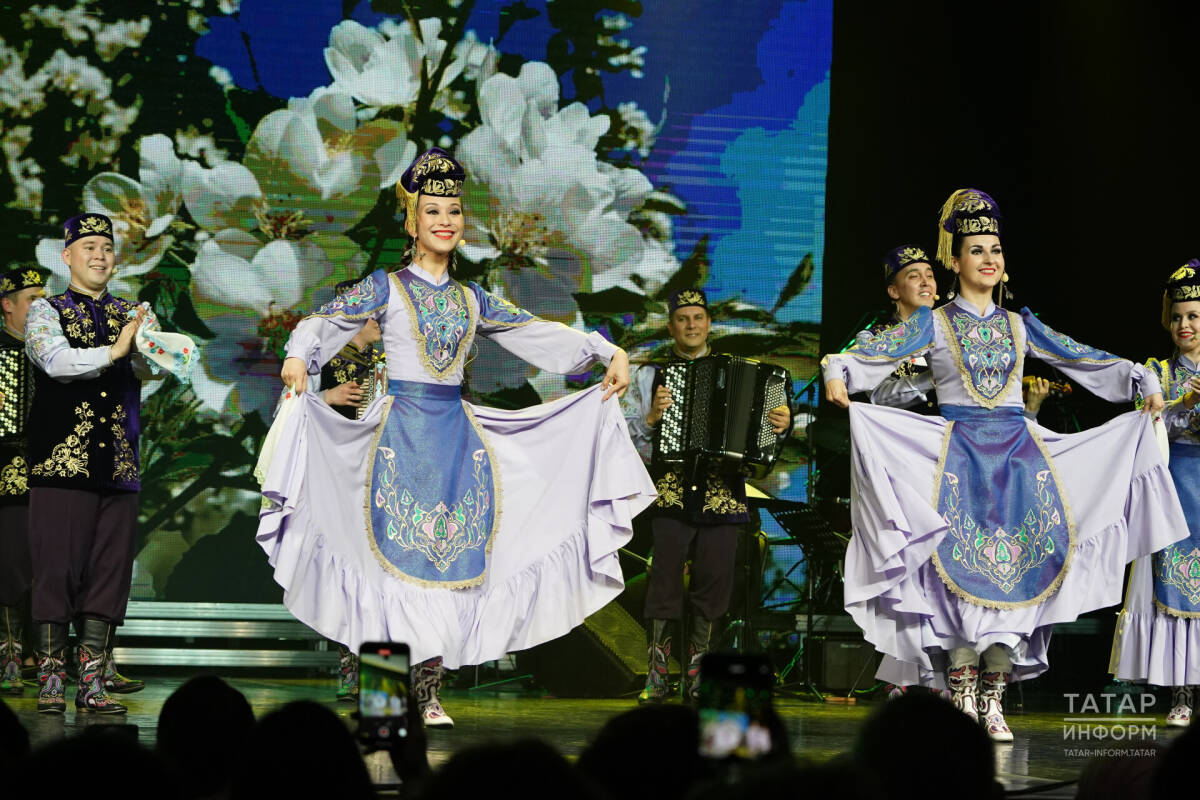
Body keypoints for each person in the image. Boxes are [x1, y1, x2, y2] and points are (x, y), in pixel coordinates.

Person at [260, 147, 656, 728]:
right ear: (411, 223)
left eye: (453, 211)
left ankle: (426, 692)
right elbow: (325, 320)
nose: (445, 220)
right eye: (432, 211)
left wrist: (605, 350)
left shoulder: (472, 298)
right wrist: (299, 354)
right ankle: (384, 698)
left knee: (449, 565)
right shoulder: (386, 287)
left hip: (455, 442)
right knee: (387, 568)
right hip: (398, 439)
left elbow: (537, 333)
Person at [822, 188, 1185, 741]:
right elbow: (876, 352)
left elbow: (1081, 356)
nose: (989, 259)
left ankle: (993, 695)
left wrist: (1140, 379)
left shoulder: (1020, 324)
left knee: (1019, 573)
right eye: (976, 250)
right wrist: (840, 370)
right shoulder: (934, 323)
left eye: (995, 249)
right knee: (956, 577)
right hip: (959, 462)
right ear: (955, 261)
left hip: (1018, 464)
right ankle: (963, 692)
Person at [24, 212, 174, 713]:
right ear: (67, 256)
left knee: (109, 574)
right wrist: (116, 349)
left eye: (106, 248)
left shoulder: (133, 312)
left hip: (118, 465)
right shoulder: (45, 311)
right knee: (56, 569)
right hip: (60, 465)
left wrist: (149, 345)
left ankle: (92, 683)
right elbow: (56, 362)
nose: (99, 255)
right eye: (88, 247)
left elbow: (153, 370)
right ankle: (50, 681)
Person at [622, 288, 791, 703]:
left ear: (709, 324)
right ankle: (658, 676)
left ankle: (697, 677)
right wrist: (652, 418)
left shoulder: (744, 373)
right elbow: (627, 437)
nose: (691, 325)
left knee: (714, 587)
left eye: (698, 317)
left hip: (723, 492)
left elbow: (764, 438)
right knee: (663, 584)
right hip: (672, 490)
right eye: (683, 319)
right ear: (671, 326)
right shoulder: (649, 374)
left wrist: (779, 426)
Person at [1111, 262, 1200, 727]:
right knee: (1177, 587)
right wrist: (1184, 405)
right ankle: (1182, 691)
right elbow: (1147, 429)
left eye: (1194, 316)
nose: (1185, 325)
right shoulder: (1155, 373)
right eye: (1178, 317)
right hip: (1176, 488)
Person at [314, 279, 385, 702]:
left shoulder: (392, 360)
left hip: (387, 480)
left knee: (387, 582)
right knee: (348, 580)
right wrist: (327, 396)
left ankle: (384, 682)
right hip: (341, 482)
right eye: (371, 313)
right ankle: (351, 671)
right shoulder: (321, 360)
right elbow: (288, 406)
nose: (380, 319)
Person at [0, 265, 47, 695]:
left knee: (46, 564)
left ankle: (39, 654)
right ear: (8, 306)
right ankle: (11, 654)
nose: (40, 306)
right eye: (32, 299)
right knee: (12, 562)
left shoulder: (53, 351)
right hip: (7, 477)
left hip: (51, 476)